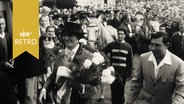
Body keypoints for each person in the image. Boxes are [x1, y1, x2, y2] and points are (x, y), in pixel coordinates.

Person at [39, 22, 104, 104]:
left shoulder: (88, 56)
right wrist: (44, 89)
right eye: (64, 35)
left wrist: (82, 88)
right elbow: (54, 75)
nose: (66, 38)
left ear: (78, 38)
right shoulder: (60, 53)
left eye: (70, 35)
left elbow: (95, 86)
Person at [126, 31, 184, 104]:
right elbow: (135, 85)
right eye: (152, 44)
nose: (152, 48)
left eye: (157, 45)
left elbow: (181, 92)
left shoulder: (178, 64)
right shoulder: (143, 58)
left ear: (167, 45)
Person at [102, 27, 133, 104]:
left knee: (121, 91)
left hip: (123, 73)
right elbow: (102, 53)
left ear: (125, 35)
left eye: (121, 34)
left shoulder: (128, 47)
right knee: (114, 91)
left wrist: (129, 73)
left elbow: (130, 61)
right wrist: (106, 63)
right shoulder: (111, 45)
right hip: (113, 72)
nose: (119, 35)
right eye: (118, 34)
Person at [0, 16, 16, 104]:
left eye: (2, 24)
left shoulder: (8, 36)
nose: (1, 26)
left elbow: (11, 52)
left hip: (9, 72)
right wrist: (3, 64)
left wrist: (12, 59)